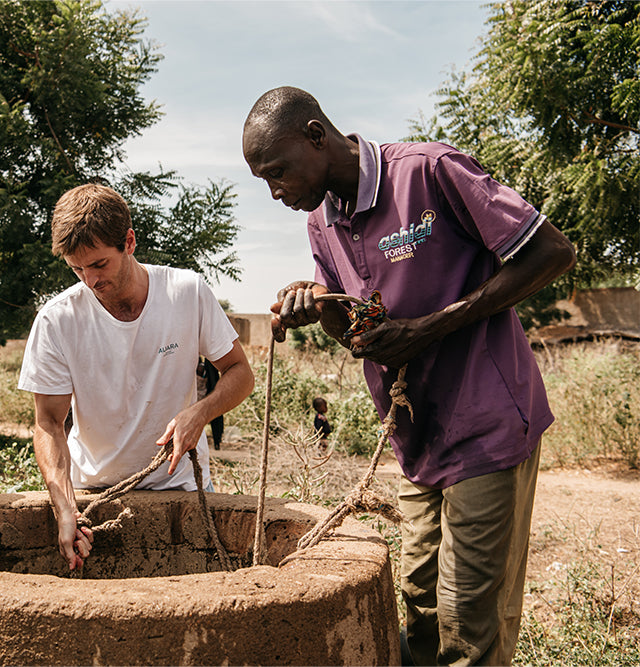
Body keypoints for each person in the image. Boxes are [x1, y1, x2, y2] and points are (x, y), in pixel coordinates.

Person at [243, 86, 576, 666]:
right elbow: (355, 333)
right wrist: (315, 303)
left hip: (486, 421)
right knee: (419, 611)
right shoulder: (323, 219)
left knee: (469, 622)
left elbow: (551, 252)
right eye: (264, 182)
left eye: (278, 172)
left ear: (316, 137)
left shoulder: (428, 171)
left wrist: (428, 327)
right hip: (415, 437)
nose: (276, 192)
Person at [18, 183, 255, 571]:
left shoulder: (186, 293)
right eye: (76, 268)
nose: (90, 281)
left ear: (128, 242)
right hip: (94, 488)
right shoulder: (58, 319)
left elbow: (239, 372)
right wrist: (64, 505)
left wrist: (199, 413)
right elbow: (48, 423)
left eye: (99, 265)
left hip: (181, 485)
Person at [196, 357, 225, 450]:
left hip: (210, 391)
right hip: (207, 392)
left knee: (216, 419)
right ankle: (216, 441)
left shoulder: (207, 364)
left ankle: (217, 442)